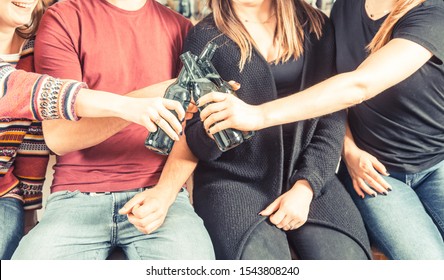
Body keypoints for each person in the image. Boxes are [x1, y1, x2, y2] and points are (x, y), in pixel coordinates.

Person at [197, 0, 444, 259]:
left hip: (436, 162)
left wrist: (258, 115)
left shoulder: (434, 11)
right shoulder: (347, 7)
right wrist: (348, 150)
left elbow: (357, 87)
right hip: (374, 171)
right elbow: (334, 97)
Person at [12, 0, 214, 260]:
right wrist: (138, 104)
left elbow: (190, 134)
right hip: (76, 197)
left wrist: (164, 194)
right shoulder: (64, 17)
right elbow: (59, 138)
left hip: (159, 196)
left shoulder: (182, 28)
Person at [183, 0, 371, 260]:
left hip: (310, 172)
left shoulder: (315, 26)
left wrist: (306, 187)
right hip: (233, 182)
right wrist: (215, 126)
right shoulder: (204, 36)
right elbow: (194, 139)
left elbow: (331, 116)